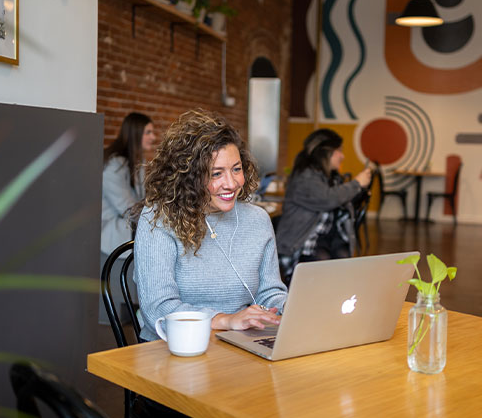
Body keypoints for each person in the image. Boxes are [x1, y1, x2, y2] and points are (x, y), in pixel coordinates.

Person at [134, 109, 287, 342]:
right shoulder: (159, 218)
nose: (232, 183)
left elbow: (269, 293)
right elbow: (158, 308)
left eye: (237, 169)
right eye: (216, 173)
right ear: (189, 177)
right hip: (175, 345)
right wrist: (226, 320)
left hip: (240, 341)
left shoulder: (258, 219)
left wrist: (291, 309)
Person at [275, 128, 372, 283]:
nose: (342, 155)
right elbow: (327, 199)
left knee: (343, 259)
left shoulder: (327, 176)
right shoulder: (305, 177)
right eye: (339, 150)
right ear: (326, 153)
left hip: (326, 238)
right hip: (300, 243)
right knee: (323, 262)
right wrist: (357, 184)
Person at [100, 112, 157, 323]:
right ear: (136, 133)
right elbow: (128, 208)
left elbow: (145, 201)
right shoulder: (115, 164)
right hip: (114, 233)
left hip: (131, 228)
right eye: (148, 132)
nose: (153, 137)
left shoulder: (137, 162)